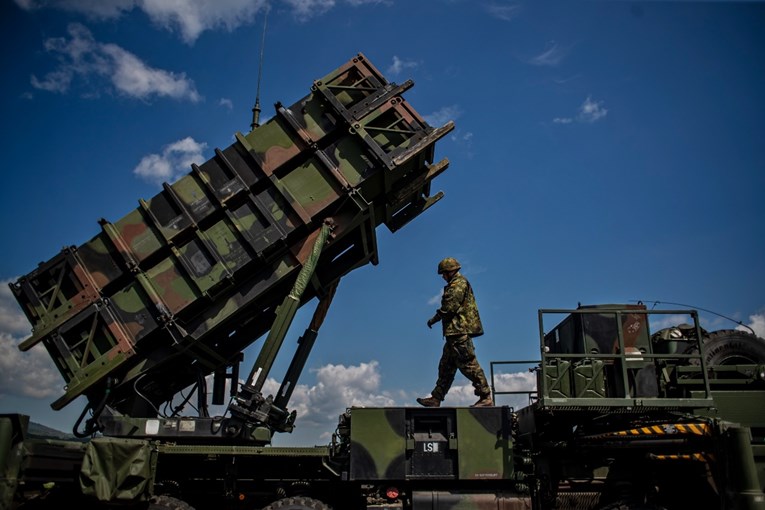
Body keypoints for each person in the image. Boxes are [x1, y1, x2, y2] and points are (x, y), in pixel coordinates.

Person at [417, 257, 493, 408]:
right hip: (454, 334)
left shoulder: (458, 284)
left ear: (450, 271)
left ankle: (485, 396)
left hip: (459, 332)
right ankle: (436, 398)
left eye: (443, 274)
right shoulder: (455, 284)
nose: (443, 277)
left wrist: (434, 319)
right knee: (445, 367)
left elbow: (449, 307)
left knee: (469, 365)